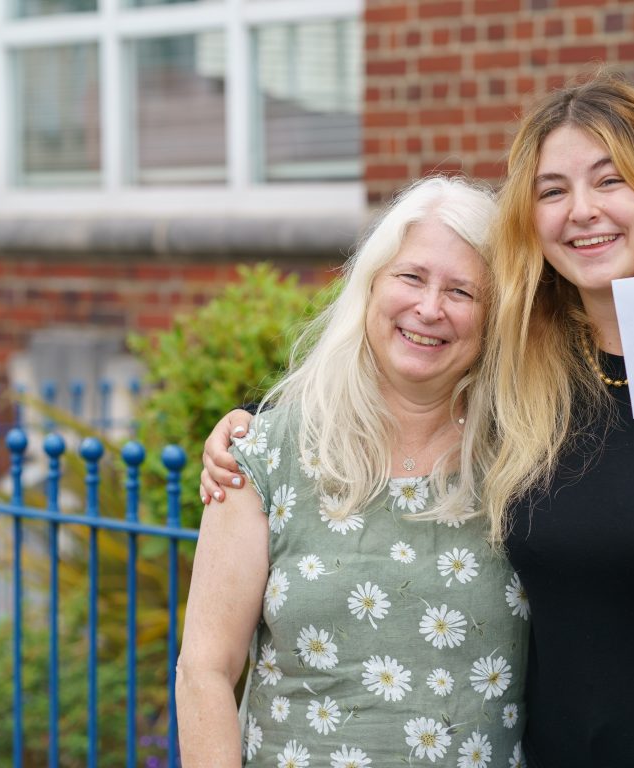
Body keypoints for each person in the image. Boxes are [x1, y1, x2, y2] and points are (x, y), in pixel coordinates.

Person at [198, 73, 634, 768]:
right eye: (553, 191)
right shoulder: (531, 373)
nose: (583, 211)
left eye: (610, 180)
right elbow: (405, 372)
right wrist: (251, 426)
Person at [177, 177, 531, 767]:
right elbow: (206, 669)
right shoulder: (266, 454)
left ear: (494, 317)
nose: (430, 308)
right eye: (411, 277)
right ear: (370, 286)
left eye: (463, 291)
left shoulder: (526, 462)